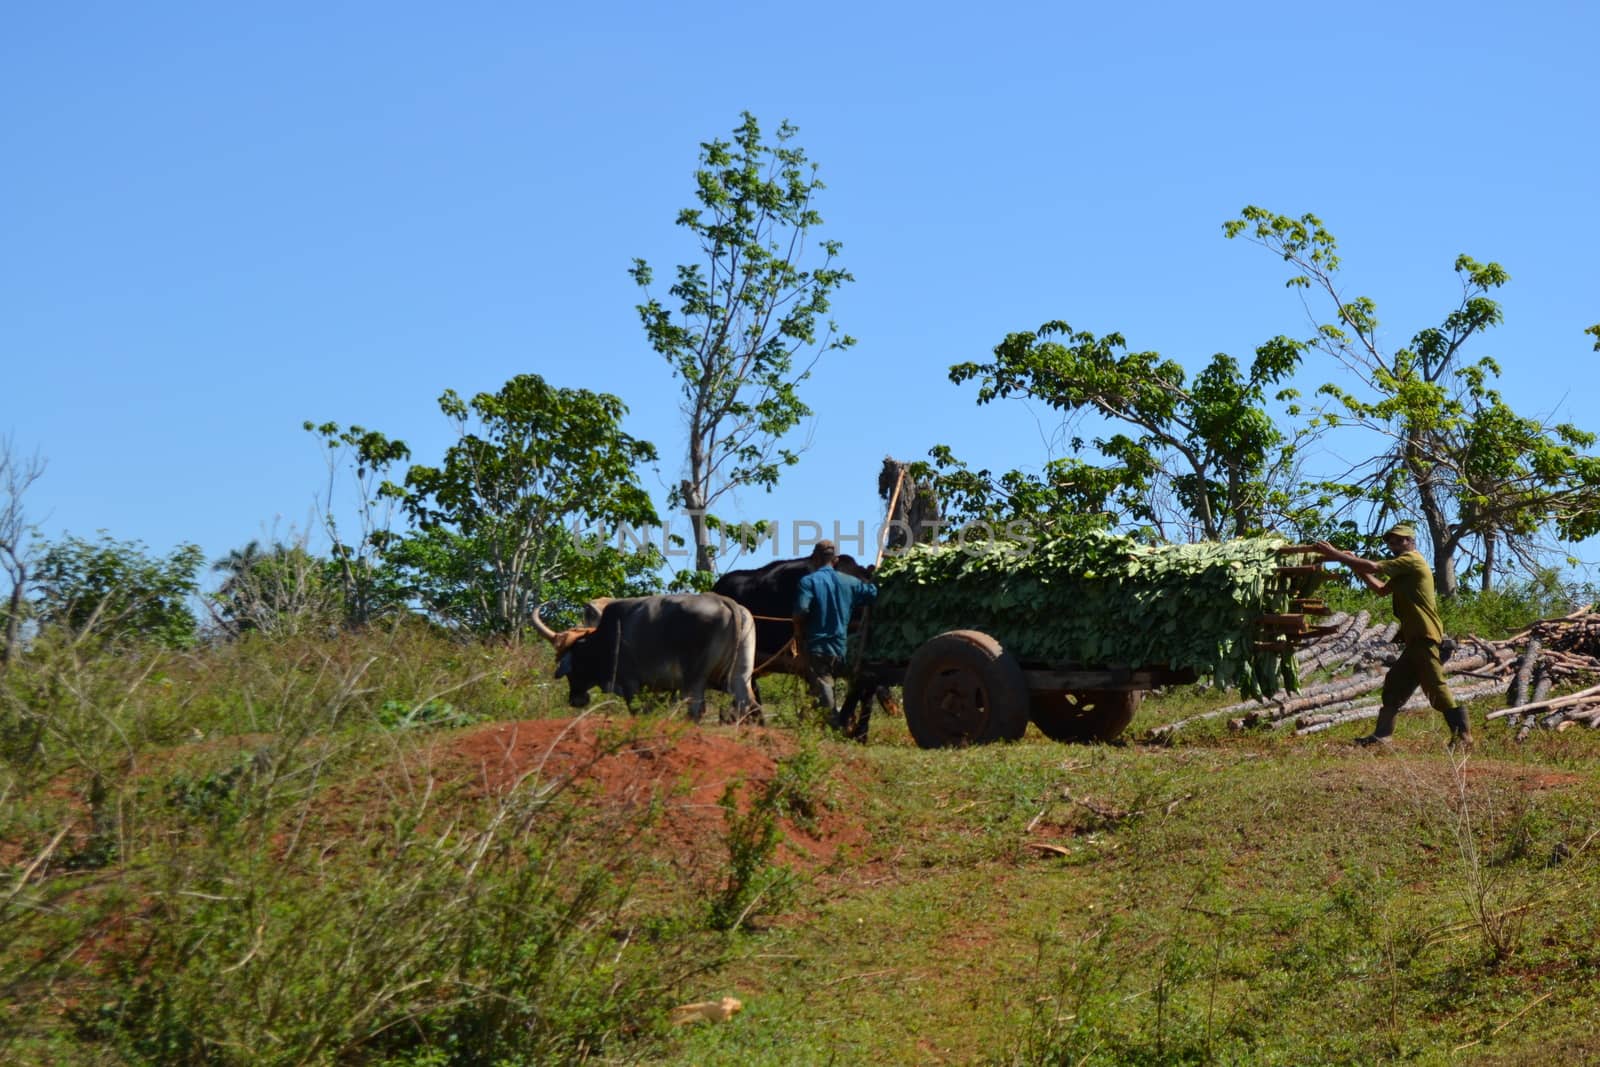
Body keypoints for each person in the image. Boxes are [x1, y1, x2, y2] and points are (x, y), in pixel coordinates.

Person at [1311, 523, 1471, 749]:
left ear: (1410, 541)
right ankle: (1382, 736)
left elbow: (1374, 566)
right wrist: (1357, 566)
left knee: (1436, 686)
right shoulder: (1402, 568)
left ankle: (1463, 737)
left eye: (1399, 540)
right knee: (1394, 683)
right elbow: (1381, 589)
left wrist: (1336, 555)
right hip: (1414, 639)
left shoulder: (1412, 560)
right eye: (1391, 541)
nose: (1394, 544)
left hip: (1425, 636)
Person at [792, 540, 878, 730]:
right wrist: (874, 574)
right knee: (829, 687)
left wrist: (798, 635)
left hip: (817, 647)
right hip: (841, 648)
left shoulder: (808, 582)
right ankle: (825, 723)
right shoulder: (850, 582)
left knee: (824, 688)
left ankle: (836, 729)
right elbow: (872, 593)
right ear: (836, 560)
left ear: (814, 558)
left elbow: (800, 613)